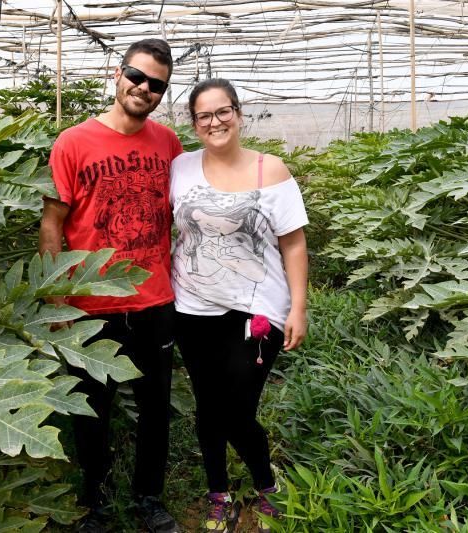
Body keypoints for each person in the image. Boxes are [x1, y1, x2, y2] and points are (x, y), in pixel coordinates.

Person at [39, 38, 183, 533]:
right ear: (116, 74)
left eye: (157, 84)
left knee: (154, 407)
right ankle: (95, 501)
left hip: (155, 299)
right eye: (137, 76)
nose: (144, 88)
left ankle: (149, 498)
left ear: (164, 93)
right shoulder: (73, 142)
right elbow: (53, 222)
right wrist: (55, 296)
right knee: (91, 409)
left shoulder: (168, 143)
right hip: (91, 302)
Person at [170, 78, 308, 533]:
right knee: (208, 407)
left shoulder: (272, 170)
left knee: (237, 409)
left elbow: (294, 244)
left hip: (257, 312)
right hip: (191, 307)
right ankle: (219, 494)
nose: (215, 121)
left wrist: (298, 308)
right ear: (194, 124)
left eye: (223, 111)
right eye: (204, 115)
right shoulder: (181, 168)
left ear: (238, 113)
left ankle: (266, 486)